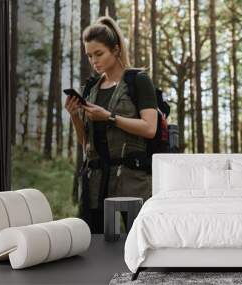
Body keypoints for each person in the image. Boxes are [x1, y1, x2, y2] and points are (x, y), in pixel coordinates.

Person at [65, 16, 157, 234]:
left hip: (131, 182)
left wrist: (109, 117)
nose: (94, 61)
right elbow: (87, 144)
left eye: (99, 54)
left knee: (137, 245)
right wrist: (75, 117)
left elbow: (150, 128)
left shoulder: (138, 81)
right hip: (95, 184)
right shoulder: (90, 89)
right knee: (96, 247)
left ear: (115, 50)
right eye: (89, 56)